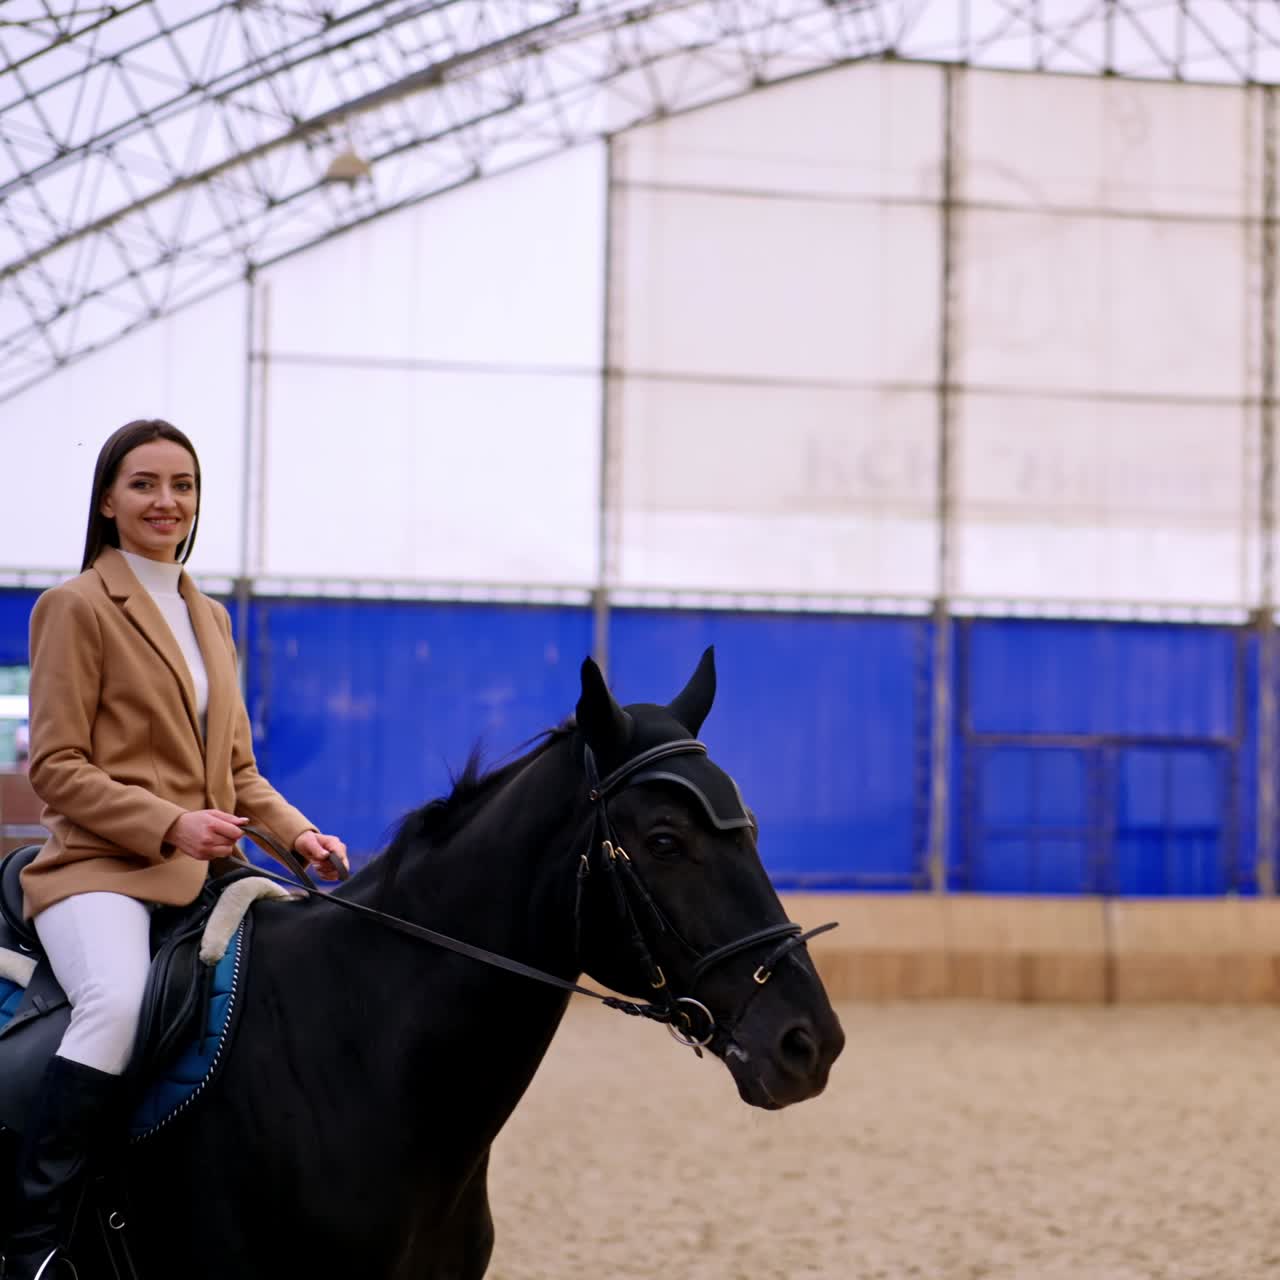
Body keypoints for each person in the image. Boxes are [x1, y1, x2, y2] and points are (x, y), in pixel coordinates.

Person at [7, 419, 348, 1279]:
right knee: (115, 1003)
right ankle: (34, 1238)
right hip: (99, 870)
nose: (168, 501)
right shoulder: (76, 606)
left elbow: (235, 770)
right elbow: (56, 767)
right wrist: (168, 823)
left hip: (206, 867)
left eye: (183, 485)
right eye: (147, 484)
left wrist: (298, 834)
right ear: (109, 501)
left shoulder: (211, 618)